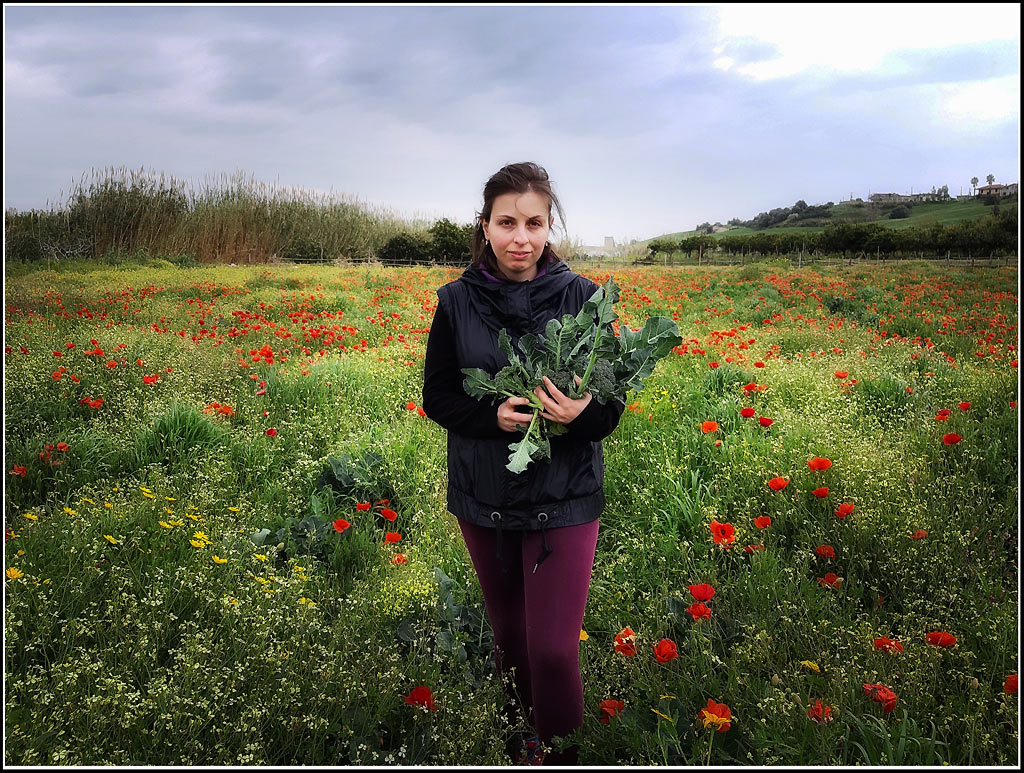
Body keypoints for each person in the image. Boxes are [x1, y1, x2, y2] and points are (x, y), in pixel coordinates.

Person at [422, 162, 624, 766]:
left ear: (549, 225)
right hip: (485, 491)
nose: (521, 238)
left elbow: (611, 408)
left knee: (555, 649)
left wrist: (579, 413)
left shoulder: (586, 298)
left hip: (566, 494)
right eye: (506, 222)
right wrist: (494, 419)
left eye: (533, 223)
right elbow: (438, 396)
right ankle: (521, 742)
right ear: (484, 227)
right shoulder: (455, 302)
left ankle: (562, 750)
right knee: (510, 639)